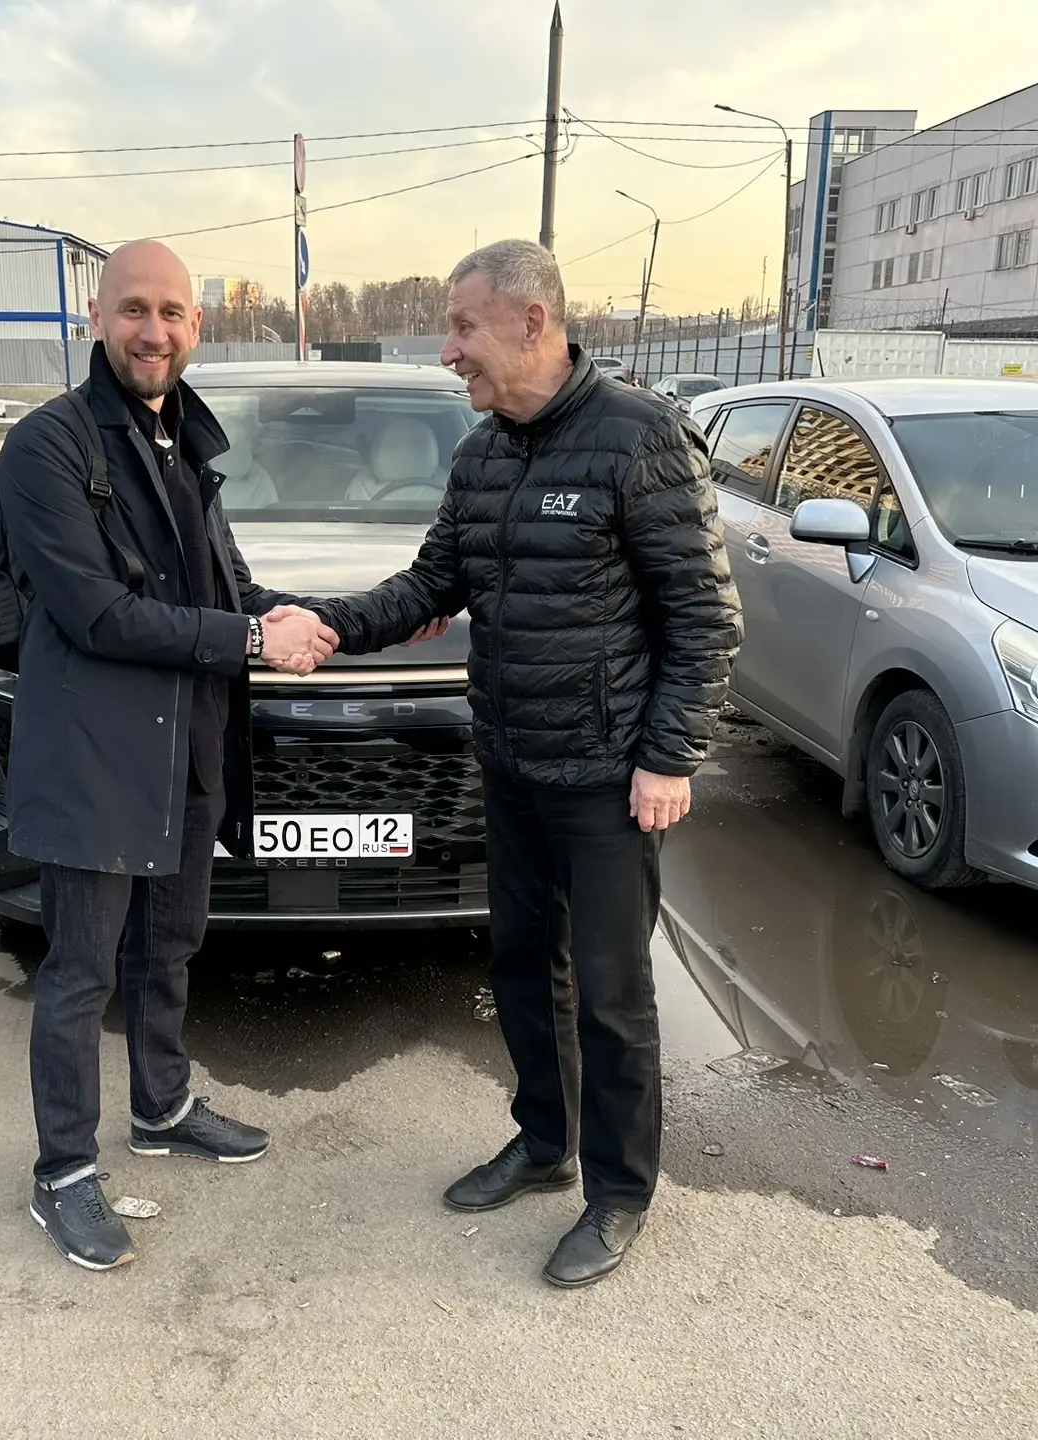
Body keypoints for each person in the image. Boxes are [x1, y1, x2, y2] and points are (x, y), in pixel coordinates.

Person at [315, 240, 742, 1289]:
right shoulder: (483, 456)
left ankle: (621, 1192)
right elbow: (430, 586)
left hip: (608, 780)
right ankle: (546, 1143)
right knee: (520, 968)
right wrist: (322, 625)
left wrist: (668, 757)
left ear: (531, 322)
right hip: (509, 763)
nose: (448, 350)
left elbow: (705, 617)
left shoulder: (639, 438)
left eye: (463, 326)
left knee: (611, 992)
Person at [0, 239, 341, 1272]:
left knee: (170, 945)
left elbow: (225, 586)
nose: (154, 331)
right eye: (134, 310)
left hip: (188, 743)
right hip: (96, 754)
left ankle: (161, 1107)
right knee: (79, 971)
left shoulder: (185, 437)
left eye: (173, 313)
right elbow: (98, 612)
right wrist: (253, 640)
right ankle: (64, 1172)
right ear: (97, 319)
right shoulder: (47, 446)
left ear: (198, 325)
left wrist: (328, 620)